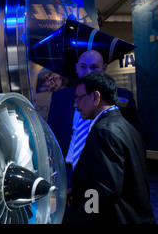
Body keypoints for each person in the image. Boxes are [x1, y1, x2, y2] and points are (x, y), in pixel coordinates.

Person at [66, 72, 155, 224]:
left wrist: (81, 217)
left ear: (95, 97)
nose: (75, 105)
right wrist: (80, 192)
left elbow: (104, 189)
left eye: (78, 98)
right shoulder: (125, 125)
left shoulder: (104, 131)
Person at [47, 50, 142, 186]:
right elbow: (52, 134)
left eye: (94, 67)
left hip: (105, 171)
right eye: (83, 67)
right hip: (68, 170)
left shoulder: (122, 97)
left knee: (96, 204)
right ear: (77, 68)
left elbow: (137, 134)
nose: (88, 72)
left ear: (104, 69)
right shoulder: (61, 97)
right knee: (73, 205)